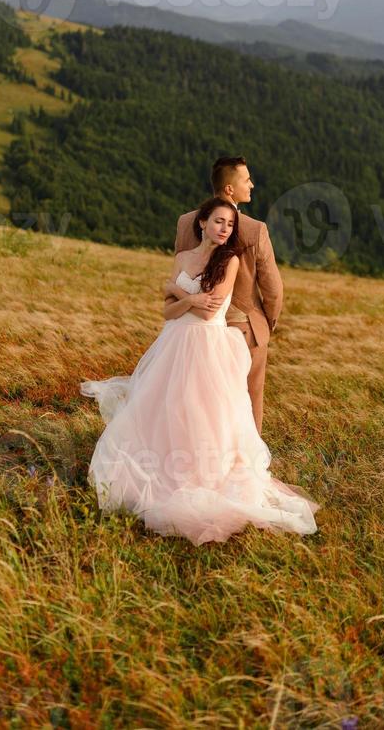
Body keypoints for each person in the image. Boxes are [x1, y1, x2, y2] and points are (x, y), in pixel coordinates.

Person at [80, 196, 320, 546]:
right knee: (165, 407)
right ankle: (160, 468)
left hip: (206, 345)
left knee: (200, 412)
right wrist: (187, 298)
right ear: (203, 223)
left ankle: (200, 476)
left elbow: (209, 312)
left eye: (230, 225)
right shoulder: (181, 258)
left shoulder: (231, 260)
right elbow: (167, 313)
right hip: (174, 342)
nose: (225, 229)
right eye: (219, 222)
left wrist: (179, 294)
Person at [170, 156, 282, 434]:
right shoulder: (255, 229)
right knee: (247, 399)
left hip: (191, 328)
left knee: (195, 399)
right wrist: (268, 322)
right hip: (243, 327)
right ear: (230, 189)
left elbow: (179, 269)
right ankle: (248, 464)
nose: (252, 185)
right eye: (247, 180)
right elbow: (273, 288)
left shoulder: (186, 222)